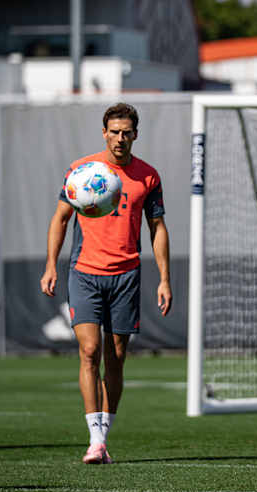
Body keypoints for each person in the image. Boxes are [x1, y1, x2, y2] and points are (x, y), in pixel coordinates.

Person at [40, 102, 171, 464]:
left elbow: (157, 228)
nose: (120, 138)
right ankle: (94, 438)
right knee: (88, 351)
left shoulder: (148, 176)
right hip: (85, 272)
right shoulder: (81, 171)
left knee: (115, 357)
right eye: (114, 132)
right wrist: (51, 265)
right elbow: (61, 219)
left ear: (135, 135)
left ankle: (104, 435)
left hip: (126, 275)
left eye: (126, 132)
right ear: (104, 133)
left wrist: (164, 279)